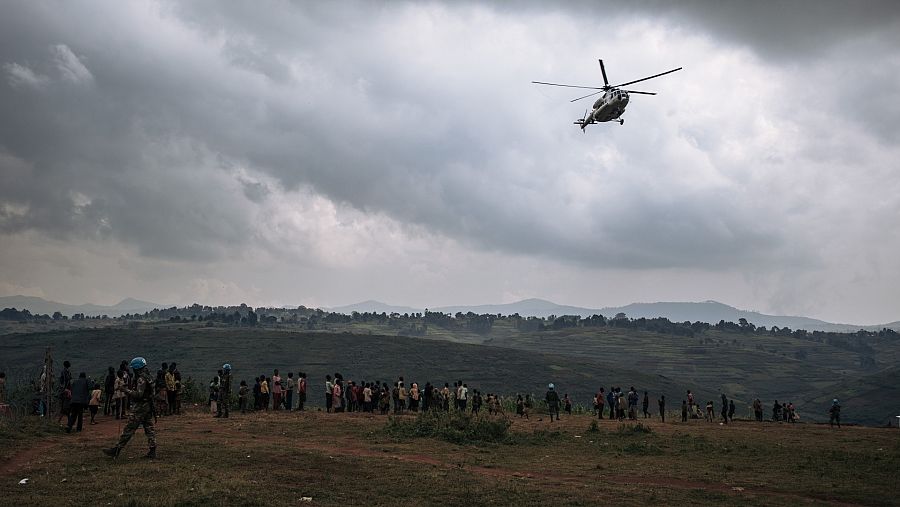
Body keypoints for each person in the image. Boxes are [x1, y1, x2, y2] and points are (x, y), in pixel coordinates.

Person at [104, 357, 157, 459]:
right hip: (148, 406)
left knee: (129, 428)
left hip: (140, 407)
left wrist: (125, 390)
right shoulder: (149, 376)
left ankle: (117, 449)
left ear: (137, 368)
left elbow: (138, 394)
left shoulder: (141, 378)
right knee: (149, 428)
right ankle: (152, 450)